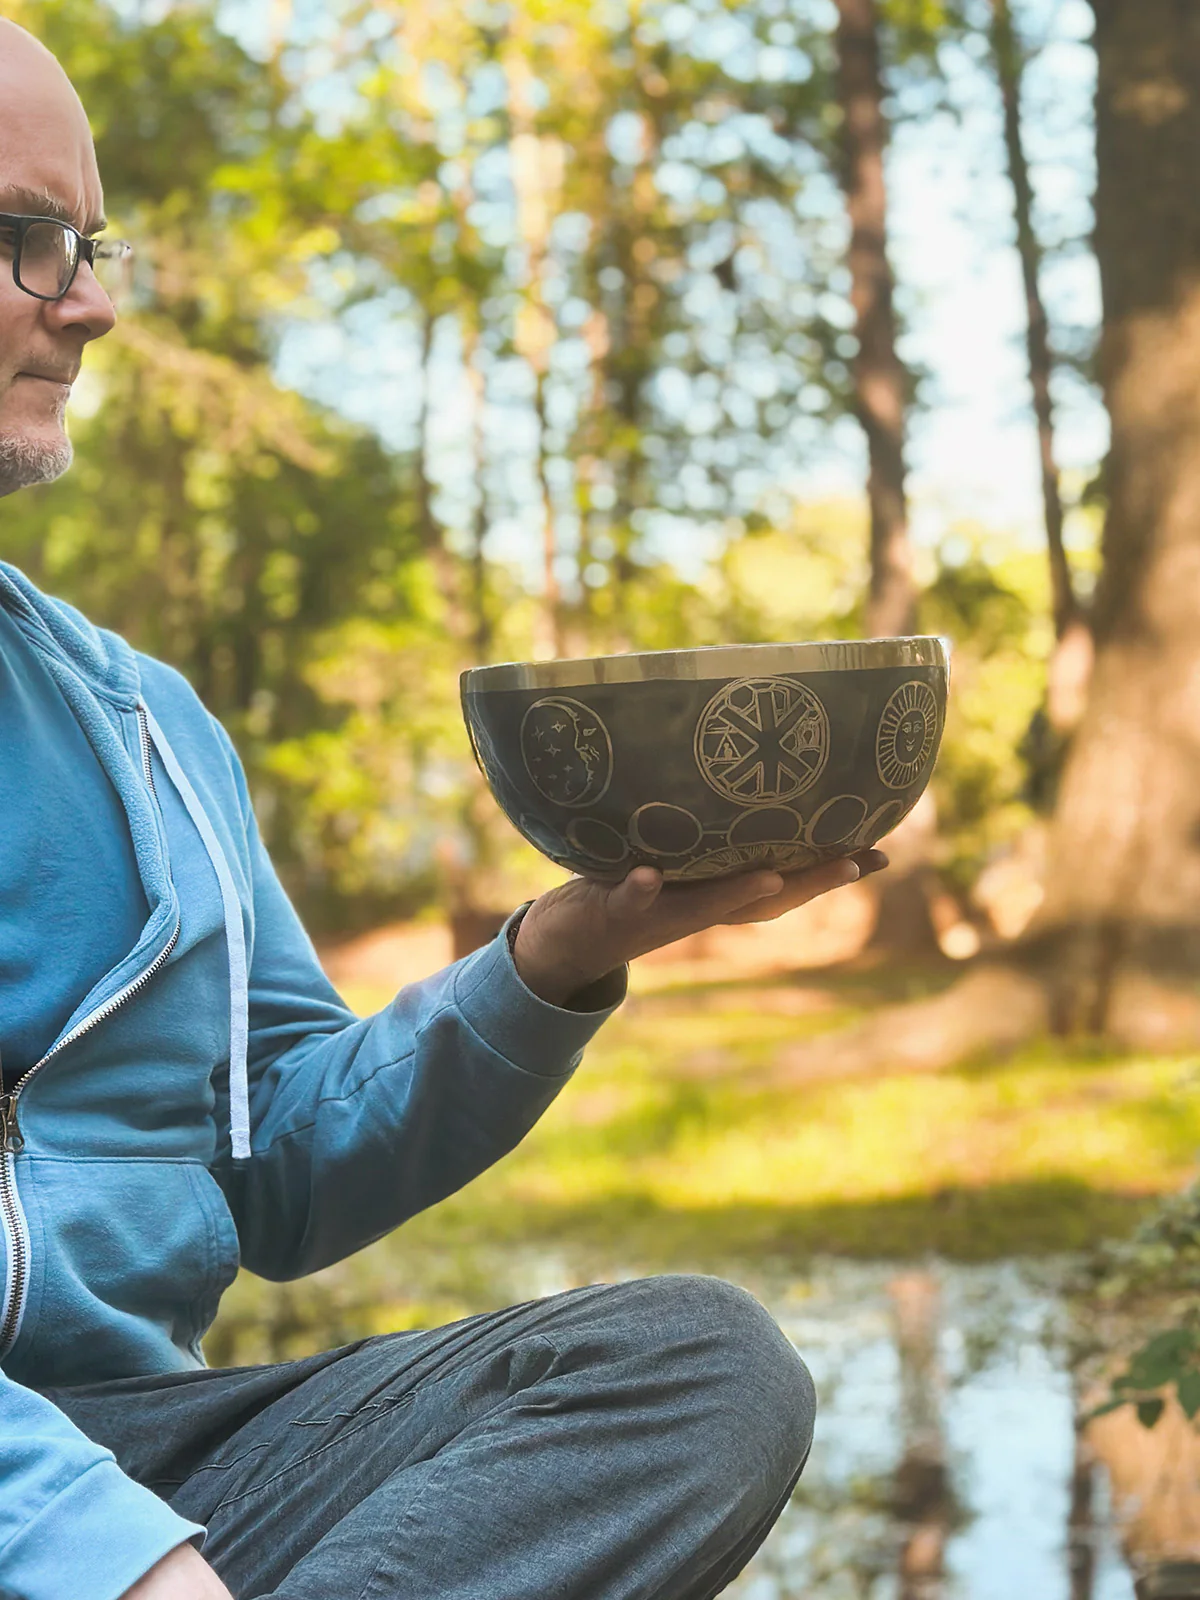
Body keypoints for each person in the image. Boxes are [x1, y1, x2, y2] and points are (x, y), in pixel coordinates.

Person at [0, 19, 887, 1600]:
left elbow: (275, 1164)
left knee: (697, 1370)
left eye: (91, 242)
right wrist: (91, 1555)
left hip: (151, 1449)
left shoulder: (151, 729)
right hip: (56, 1507)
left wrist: (556, 956)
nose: (95, 302)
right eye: (23, 241)